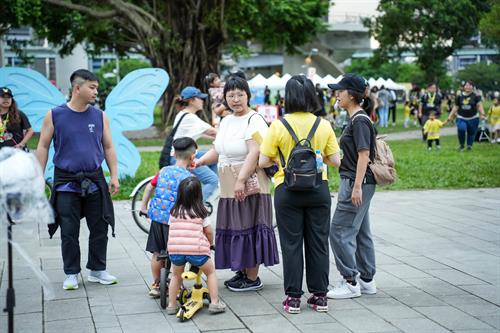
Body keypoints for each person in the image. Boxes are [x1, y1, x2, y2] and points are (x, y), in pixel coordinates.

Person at [259, 75, 341, 314]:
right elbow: (335, 160)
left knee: (291, 244)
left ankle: (293, 298)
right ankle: (320, 297)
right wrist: (317, 155)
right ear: (312, 96)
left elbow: (264, 160)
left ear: (289, 97)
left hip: (287, 190)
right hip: (318, 189)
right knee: (318, 243)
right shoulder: (323, 125)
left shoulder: (278, 125)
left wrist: (282, 158)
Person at [37, 69, 119, 290]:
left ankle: (97, 269)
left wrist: (114, 175)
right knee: (69, 230)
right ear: (77, 88)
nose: (96, 92)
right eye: (92, 87)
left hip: (95, 179)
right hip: (65, 181)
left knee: (100, 226)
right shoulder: (54, 115)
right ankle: (71, 273)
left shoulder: (100, 115)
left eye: (96, 88)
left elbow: (109, 146)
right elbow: (43, 146)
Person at [196, 76, 279, 292]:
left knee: (249, 225)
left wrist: (241, 180)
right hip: (228, 184)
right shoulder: (226, 121)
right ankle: (241, 272)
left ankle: (252, 278)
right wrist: (200, 161)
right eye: (230, 95)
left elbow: (256, 151)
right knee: (236, 226)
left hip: (248, 182)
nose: (235, 99)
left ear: (248, 96)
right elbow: (218, 151)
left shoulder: (255, 119)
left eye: (240, 94)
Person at [327, 73, 378, 299]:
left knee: (338, 230)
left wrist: (356, 186)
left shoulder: (359, 120)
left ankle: (350, 282)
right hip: (360, 182)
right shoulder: (357, 119)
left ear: (352, 95)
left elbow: (364, 154)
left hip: (357, 182)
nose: (336, 94)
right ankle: (366, 279)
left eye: (340, 90)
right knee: (360, 232)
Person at [140, 137, 197, 297]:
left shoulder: (163, 170)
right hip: (176, 223)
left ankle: (157, 285)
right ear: (192, 157)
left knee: (157, 253)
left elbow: (149, 188)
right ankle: (176, 286)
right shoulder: (189, 178)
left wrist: (144, 207)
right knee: (177, 255)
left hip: (157, 219)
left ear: (174, 154)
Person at [166, 176, 226, 314]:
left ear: (180, 194)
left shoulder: (174, 211)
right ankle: (215, 303)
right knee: (210, 272)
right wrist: (210, 244)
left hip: (176, 252)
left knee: (175, 276)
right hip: (197, 251)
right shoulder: (201, 211)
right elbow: (209, 231)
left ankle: (171, 304)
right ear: (199, 194)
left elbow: (171, 230)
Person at [170, 86, 219, 201]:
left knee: (214, 157)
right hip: (183, 157)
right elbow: (213, 131)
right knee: (212, 180)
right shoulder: (190, 118)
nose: (202, 101)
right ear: (192, 100)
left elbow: (205, 134)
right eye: (200, 98)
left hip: (180, 153)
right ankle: (196, 207)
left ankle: (200, 191)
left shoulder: (182, 114)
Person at [447, 81, 486, 151]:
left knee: (471, 133)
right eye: (466, 85)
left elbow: (479, 105)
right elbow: (455, 107)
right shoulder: (459, 96)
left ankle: (469, 146)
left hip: (473, 118)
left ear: (472, 87)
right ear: (464, 87)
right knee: (461, 129)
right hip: (461, 117)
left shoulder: (476, 96)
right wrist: (450, 116)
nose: (468, 87)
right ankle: (462, 145)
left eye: (470, 85)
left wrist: (482, 114)